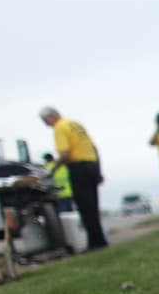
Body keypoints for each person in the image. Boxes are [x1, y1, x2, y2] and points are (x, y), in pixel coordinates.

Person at [39, 107, 108, 250]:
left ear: (50, 117)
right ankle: (100, 239)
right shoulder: (75, 124)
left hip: (78, 167)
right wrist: (98, 170)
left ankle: (94, 242)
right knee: (93, 205)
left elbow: (65, 154)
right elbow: (93, 148)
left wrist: (52, 170)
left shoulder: (59, 127)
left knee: (84, 206)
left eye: (45, 121)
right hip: (92, 164)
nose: (47, 125)